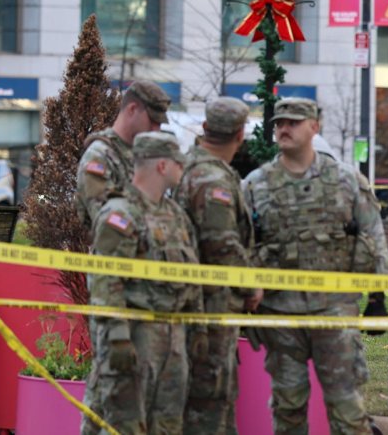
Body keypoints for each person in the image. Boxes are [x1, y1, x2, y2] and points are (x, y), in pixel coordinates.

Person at [242, 98, 388, 434]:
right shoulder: (255, 185)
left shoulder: (346, 180)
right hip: (280, 314)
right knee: (288, 408)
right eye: (279, 122)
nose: (284, 128)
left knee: (347, 408)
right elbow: (240, 246)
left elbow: (373, 236)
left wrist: (379, 296)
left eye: (293, 122)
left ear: (314, 127)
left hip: (334, 311)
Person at [82, 131, 203, 435]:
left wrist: (199, 325)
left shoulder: (174, 214)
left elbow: (193, 273)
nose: (182, 168)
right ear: (162, 166)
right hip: (134, 340)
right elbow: (106, 281)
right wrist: (118, 336)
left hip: (172, 340)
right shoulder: (120, 213)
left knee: (167, 426)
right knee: (122, 424)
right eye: (178, 162)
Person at [176, 97, 262, 434]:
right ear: (240, 135)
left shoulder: (192, 166)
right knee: (209, 402)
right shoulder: (211, 179)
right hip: (209, 304)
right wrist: (250, 284)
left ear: (206, 128)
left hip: (202, 302)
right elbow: (222, 244)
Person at [75, 79, 171, 231]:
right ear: (132, 109)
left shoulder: (144, 154)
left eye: (159, 124)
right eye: (152, 121)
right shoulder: (99, 157)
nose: (156, 129)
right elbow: (109, 221)